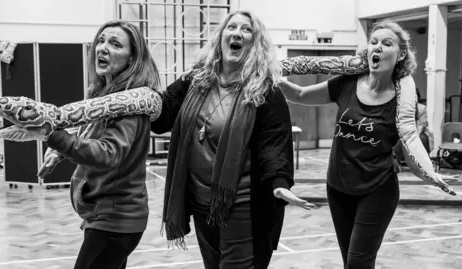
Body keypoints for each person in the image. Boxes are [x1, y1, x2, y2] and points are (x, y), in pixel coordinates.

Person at [278, 20, 454, 268]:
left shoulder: (405, 97)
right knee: (349, 261)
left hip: (377, 189)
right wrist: (267, 77)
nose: (377, 47)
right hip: (338, 188)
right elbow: (299, 95)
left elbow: (411, 140)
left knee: (358, 263)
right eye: (373, 42)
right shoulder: (347, 84)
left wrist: (432, 175)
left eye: (386, 43)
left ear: (401, 54)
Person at [151, 10, 314, 269]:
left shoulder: (265, 91)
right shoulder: (196, 80)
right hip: (202, 202)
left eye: (246, 29)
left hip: (242, 203)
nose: (237, 32)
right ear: (221, 38)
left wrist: (279, 182)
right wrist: (138, 96)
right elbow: (162, 115)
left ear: (254, 44)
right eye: (231, 27)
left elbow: (273, 145)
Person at [40, 21, 160, 269]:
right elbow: (89, 132)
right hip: (103, 215)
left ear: (132, 59)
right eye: (101, 41)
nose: (102, 48)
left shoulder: (131, 105)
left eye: (115, 44)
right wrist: (58, 151)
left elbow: (108, 153)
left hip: (116, 219)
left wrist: (53, 135)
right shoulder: (102, 95)